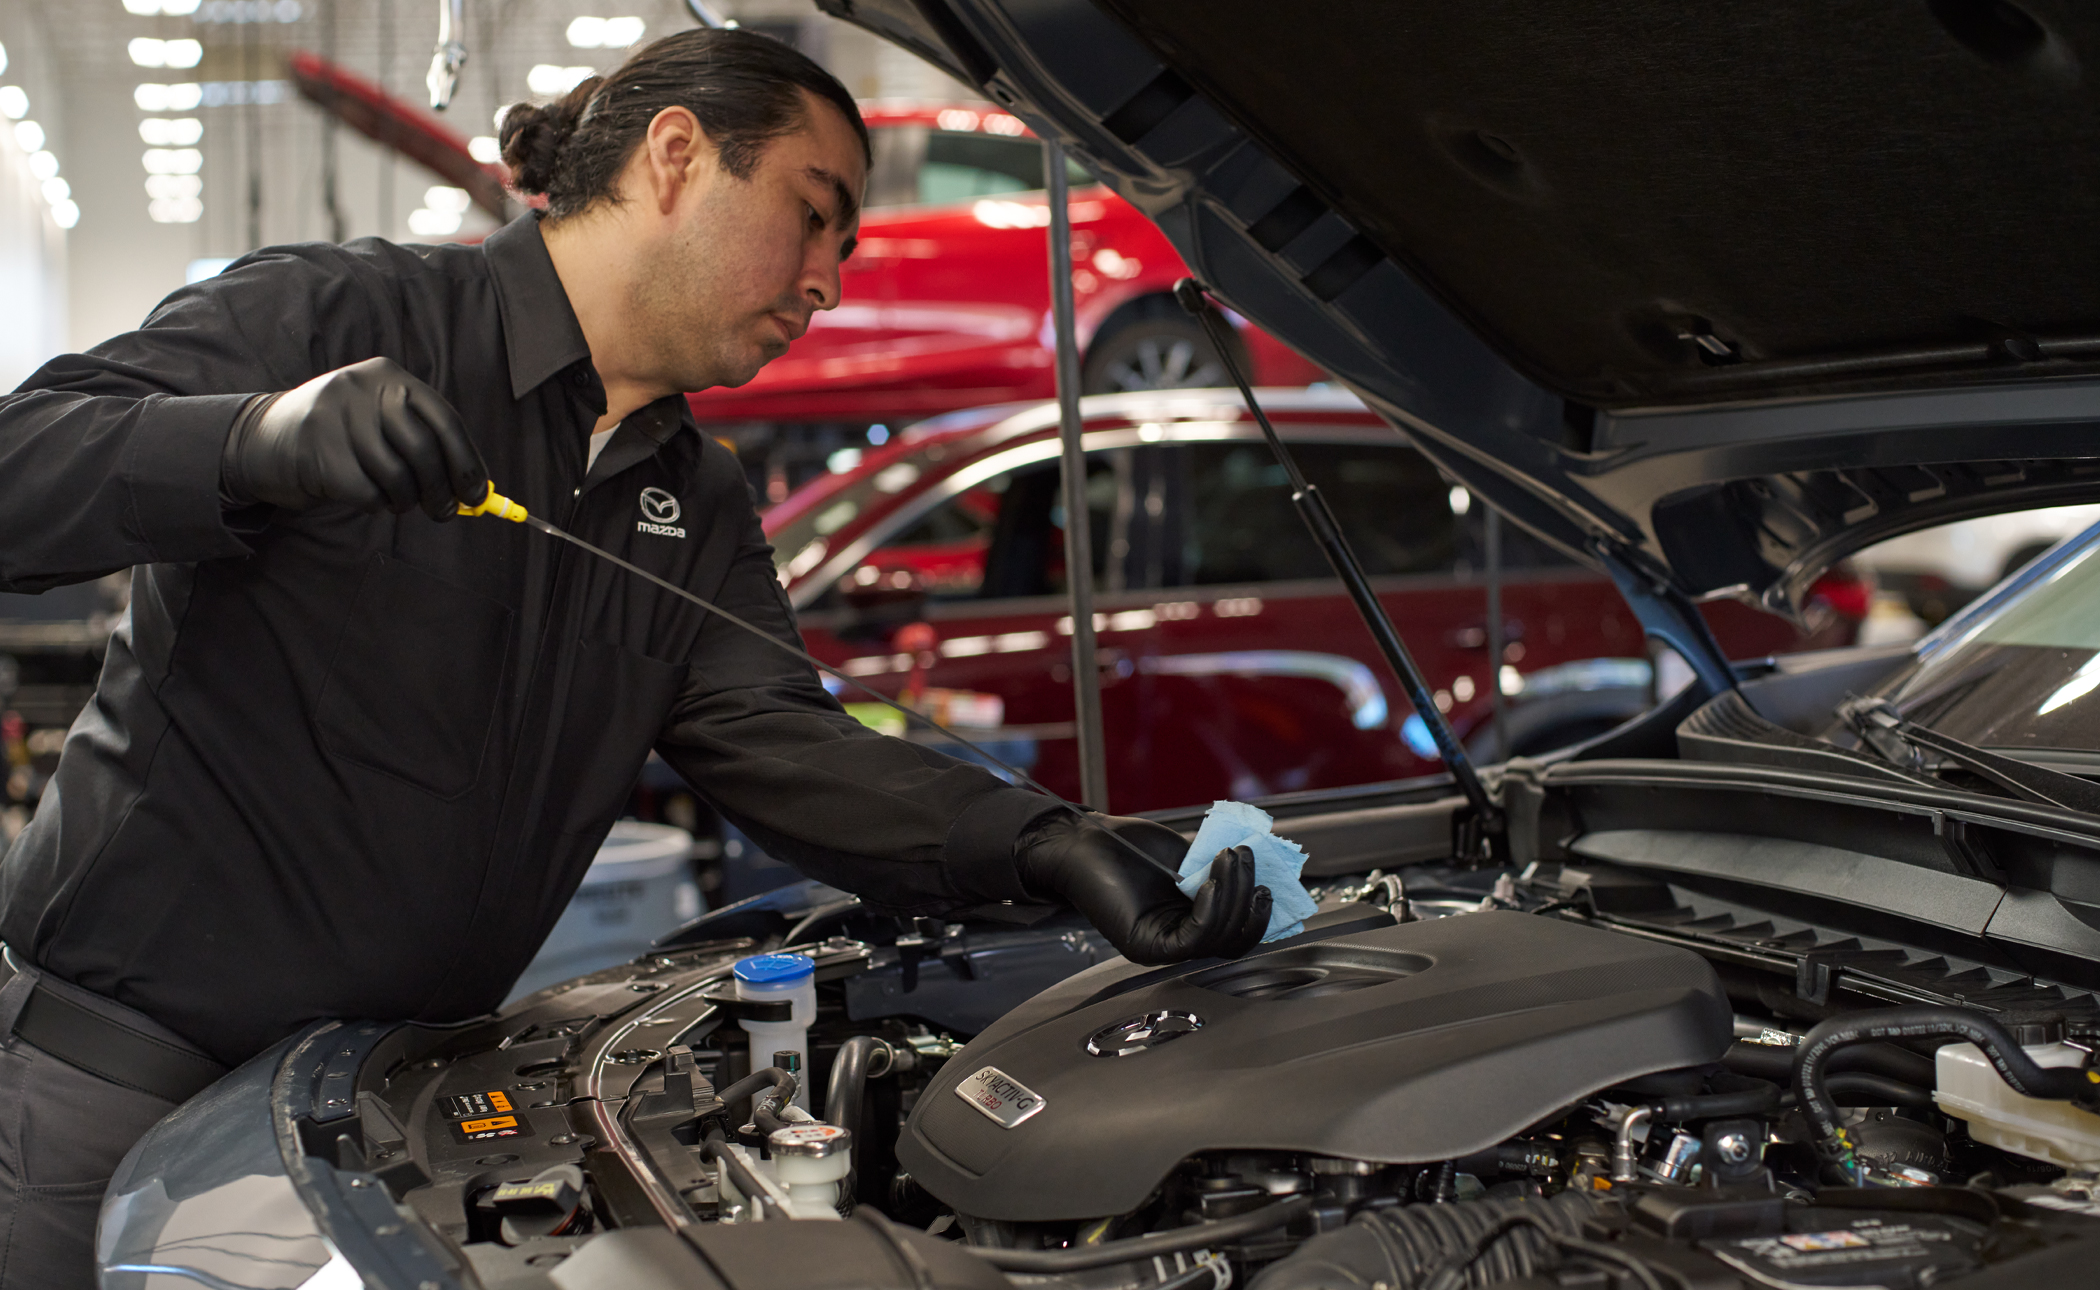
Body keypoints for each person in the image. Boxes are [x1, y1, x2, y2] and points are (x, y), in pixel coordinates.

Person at [0, 29, 1270, 1290]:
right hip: (117, 1090)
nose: (826, 283)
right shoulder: (334, 314)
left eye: (846, 249)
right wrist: (253, 440)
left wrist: (1042, 845)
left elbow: (785, 747)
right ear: (676, 157)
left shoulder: (695, 496)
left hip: (382, 1124)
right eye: (811, 216)